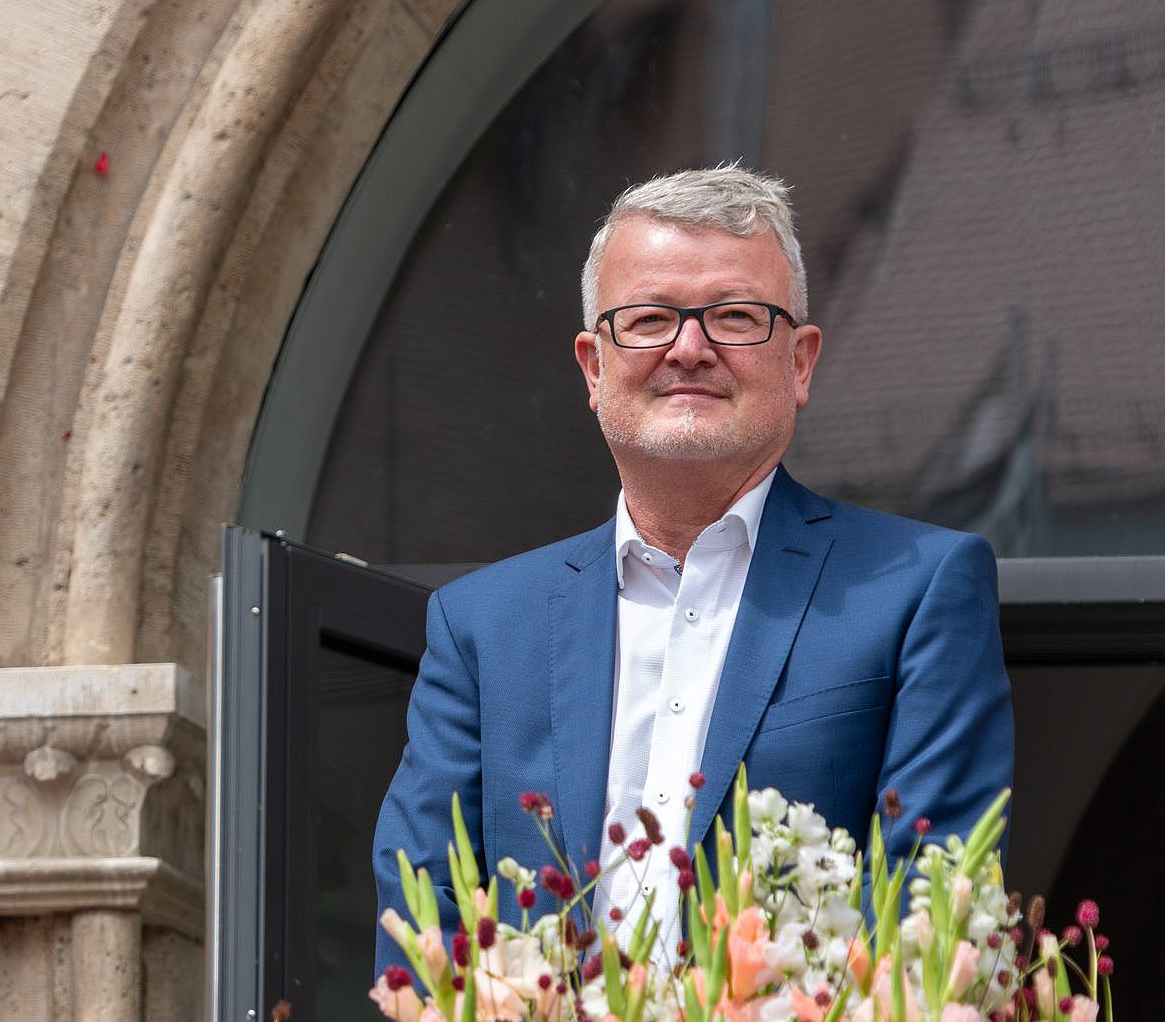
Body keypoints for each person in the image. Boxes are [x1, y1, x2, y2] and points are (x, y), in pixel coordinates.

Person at [371, 166, 1013, 967]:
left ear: (801, 362)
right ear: (593, 368)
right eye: (647, 319)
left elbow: (933, 909)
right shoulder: (481, 627)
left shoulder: (917, 588)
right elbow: (421, 908)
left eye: (737, 316)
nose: (689, 347)